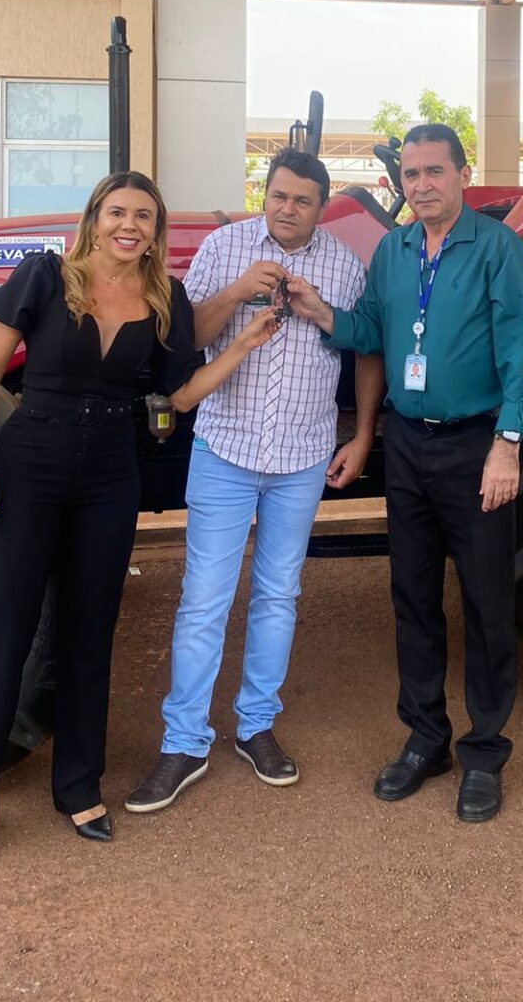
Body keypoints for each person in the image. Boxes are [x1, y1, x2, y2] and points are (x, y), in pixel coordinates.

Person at [0, 170, 276, 872]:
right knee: (5, 630)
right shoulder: (43, 276)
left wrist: (242, 350)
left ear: (155, 233)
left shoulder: (165, 301)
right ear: (96, 218)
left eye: (145, 217)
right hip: (28, 464)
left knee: (91, 634)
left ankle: (77, 787)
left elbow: (178, 393)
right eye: (119, 212)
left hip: (108, 476)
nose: (131, 226)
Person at [287, 125, 523, 824]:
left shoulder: (497, 250)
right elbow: (368, 330)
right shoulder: (395, 253)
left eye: (435, 171)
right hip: (406, 445)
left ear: (462, 174)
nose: (422, 184)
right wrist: (320, 313)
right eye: (412, 174)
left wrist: (508, 444)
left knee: (489, 604)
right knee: (413, 597)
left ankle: (484, 752)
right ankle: (426, 737)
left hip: (475, 446)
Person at [125, 148, 382, 813]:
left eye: (302, 200)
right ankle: (184, 741)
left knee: (278, 596)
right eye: (278, 195)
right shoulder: (223, 247)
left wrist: (360, 435)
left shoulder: (344, 266)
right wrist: (238, 290)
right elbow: (186, 342)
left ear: (322, 208)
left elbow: (364, 350)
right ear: (262, 195)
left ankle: (256, 727)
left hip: (301, 457)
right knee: (204, 600)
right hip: (226, 451)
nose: (287, 208)